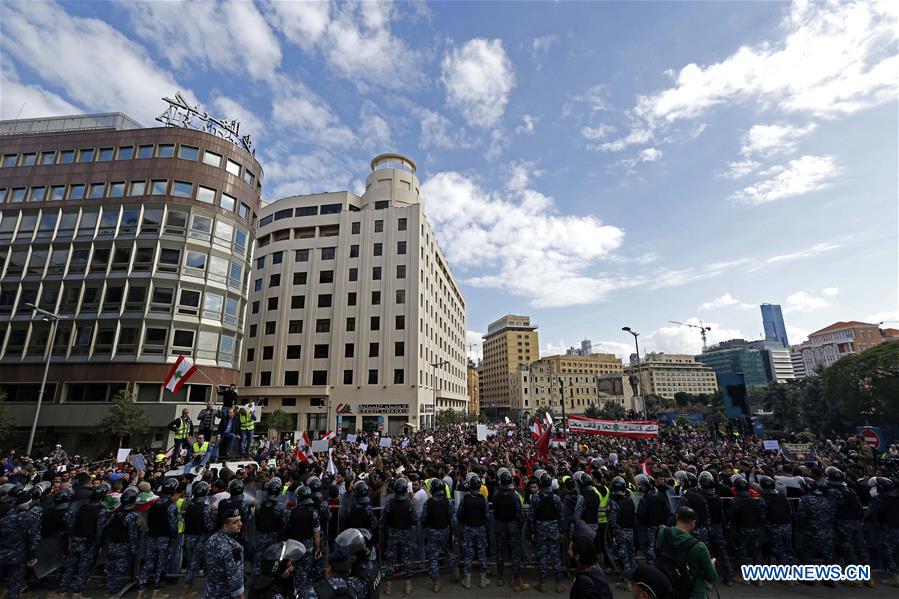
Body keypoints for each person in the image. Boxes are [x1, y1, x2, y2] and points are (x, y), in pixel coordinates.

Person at [654, 507, 717, 599]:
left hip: (667, 588)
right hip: (693, 593)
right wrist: (712, 563)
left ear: (677, 517)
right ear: (692, 523)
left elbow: (657, 552)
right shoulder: (699, 547)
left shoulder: (662, 533)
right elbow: (712, 578)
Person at [825, 466, 870, 588]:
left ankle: (854, 578)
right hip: (855, 522)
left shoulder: (833, 492)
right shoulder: (850, 490)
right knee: (860, 548)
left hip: (842, 523)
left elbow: (831, 511)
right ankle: (867, 576)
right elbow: (859, 508)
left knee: (847, 549)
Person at [62, 483, 109, 599]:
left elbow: (72, 524)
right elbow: (99, 529)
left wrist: (71, 539)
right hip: (89, 542)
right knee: (84, 568)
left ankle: (62, 593)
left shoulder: (82, 507)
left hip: (76, 540)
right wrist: (99, 544)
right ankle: (77, 594)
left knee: (70, 567)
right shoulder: (102, 510)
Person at [138, 478, 180, 599]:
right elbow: (173, 524)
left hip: (152, 537)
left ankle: (141, 590)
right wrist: (174, 535)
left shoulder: (154, 504)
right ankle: (156, 591)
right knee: (161, 565)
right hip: (164, 538)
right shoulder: (171, 505)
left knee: (148, 563)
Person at [491, 468, 528, 591]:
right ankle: (517, 579)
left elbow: (495, 511)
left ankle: (500, 577)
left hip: (500, 525)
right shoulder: (514, 495)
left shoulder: (496, 495)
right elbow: (520, 513)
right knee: (515, 553)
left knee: (500, 552)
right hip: (512, 526)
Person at [529, 469, 566, 593]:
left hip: (540, 529)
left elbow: (531, 517)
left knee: (542, 556)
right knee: (556, 556)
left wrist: (532, 531)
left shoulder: (535, 498)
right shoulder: (556, 498)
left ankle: (542, 583)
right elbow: (561, 516)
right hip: (554, 529)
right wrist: (561, 531)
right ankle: (559, 583)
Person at [0, 488, 41, 599]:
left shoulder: (5, 519)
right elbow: (34, 538)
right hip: (19, 556)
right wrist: (33, 556)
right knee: (15, 583)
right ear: (30, 504)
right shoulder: (31, 518)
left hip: (3, 554)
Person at [795, 478, 836, 586]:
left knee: (807, 554)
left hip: (812, 531)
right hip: (827, 530)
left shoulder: (805, 499)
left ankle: (807, 577)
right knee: (828, 555)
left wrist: (800, 528)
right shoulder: (825, 499)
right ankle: (828, 578)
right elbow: (832, 514)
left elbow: (801, 516)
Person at [421, 478, 458, 592]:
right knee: (448, 552)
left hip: (432, 532)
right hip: (445, 531)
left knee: (433, 557)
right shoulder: (449, 502)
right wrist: (454, 532)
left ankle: (436, 582)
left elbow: (423, 518)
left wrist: (425, 525)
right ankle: (455, 571)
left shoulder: (428, 503)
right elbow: (453, 520)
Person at [727, 476, 765, 584]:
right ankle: (759, 578)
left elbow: (731, 515)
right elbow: (762, 515)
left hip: (742, 529)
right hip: (756, 529)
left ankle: (745, 578)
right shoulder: (757, 500)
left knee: (742, 552)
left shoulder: (735, 501)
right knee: (756, 553)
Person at [382, 478, 417, 595]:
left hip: (392, 534)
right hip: (405, 533)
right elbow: (415, 520)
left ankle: (388, 586)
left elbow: (383, 520)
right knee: (406, 559)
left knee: (390, 560)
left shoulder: (390, 503)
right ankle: (408, 584)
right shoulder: (409, 504)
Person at [697, 472, 732, 586]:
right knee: (722, 553)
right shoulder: (716, 497)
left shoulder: (701, 498)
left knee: (706, 554)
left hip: (706, 528)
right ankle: (728, 577)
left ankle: (708, 580)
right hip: (718, 527)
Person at [204, 505, 246, 599]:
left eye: (240, 520)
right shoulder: (234, 547)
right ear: (226, 526)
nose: (240, 524)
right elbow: (235, 583)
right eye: (235, 522)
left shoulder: (211, 540)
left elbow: (206, 570)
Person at [104, 489, 140, 597]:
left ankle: (109, 590)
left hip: (113, 544)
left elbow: (106, 525)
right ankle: (114, 593)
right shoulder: (131, 516)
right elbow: (132, 533)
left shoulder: (115, 514)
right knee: (118, 570)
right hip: (123, 545)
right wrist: (133, 548)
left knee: (111, 569)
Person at [757, 475, 795, 576]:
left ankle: (786, 575)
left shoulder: (763, 499)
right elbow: (790, 512)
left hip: (773, 527)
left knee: (779, 550)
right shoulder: (783, 497)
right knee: (788, 549)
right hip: (787, 526)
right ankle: (791, 571)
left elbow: (762, 516)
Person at [865, 477, 899, 587]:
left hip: (887, 528)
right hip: (895, 527)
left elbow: (869, 513)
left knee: (887, 549)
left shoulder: (880, 498)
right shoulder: (896, 496)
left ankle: (895, 576)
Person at [183, 481, 216, 599]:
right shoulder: (205, 508)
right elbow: (209, 525)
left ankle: (188, 589)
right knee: (201, 563)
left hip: (189, 537)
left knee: (191, 563)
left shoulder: (188, 506)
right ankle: (187, 591)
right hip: (201, 538)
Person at [287, 485, 321, 594]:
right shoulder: (314, 513)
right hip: (307, 547)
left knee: (292, 571)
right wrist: (317, 549)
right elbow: (316, 534)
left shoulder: (291, 512)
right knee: (303, 574)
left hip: (293, 545)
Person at [608, 476, 637, 590]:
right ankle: (635, 580)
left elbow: (612, 521)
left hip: (620, 532)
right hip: (630, 531)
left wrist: (613, 535)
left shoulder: (613, 502)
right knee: (631, 556)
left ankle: (628, 582)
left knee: (624, 557)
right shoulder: (630, 500)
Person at [255, 478, 288, 574]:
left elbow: (256, 519)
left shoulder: (260, 505)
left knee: (259, 559)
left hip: (260, 536)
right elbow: (285, 523)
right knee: (273, 560)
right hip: (274, 537)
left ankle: (258, 576)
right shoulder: (280, 506)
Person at [636, 475, 669, 567]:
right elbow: (668, 510)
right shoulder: (661, 495)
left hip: (649, 528)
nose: (641, 487)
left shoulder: (646, 498)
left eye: (642, 485)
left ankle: (653, 569)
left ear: (647, 485)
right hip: (662, 527)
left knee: (650, 550)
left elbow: (641, 513)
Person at [567, 534, 613, 599]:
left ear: (577, 556)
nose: (568, 552)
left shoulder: (583, 583)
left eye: (570, 549)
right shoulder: (596, 570)